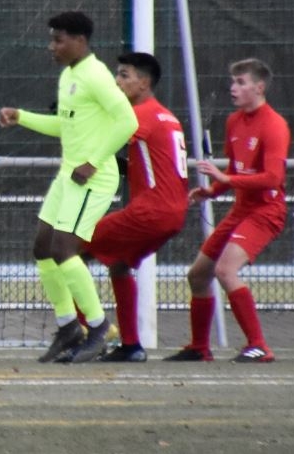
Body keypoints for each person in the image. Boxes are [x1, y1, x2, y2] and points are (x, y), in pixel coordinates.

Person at [0, 11, 137, 364]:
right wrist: (22, 117)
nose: (52, 47)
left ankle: (99, 328)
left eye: (58, 40)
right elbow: (65, 126)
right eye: (52, 39)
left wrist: (94, 161)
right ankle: (68, 326)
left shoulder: (96, 75)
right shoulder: (69, 75)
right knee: (43, 248)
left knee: (63, 248)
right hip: (69, 176)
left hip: (93, 177)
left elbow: (127, 121)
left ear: (80, 41)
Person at [166, 58, 289, 363]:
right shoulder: (234, 121)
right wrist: (212, 190)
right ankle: (199, 347)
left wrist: (226, 180)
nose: (233, 88)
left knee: (225, 270)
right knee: (198, 275)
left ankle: (259, 346)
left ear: (259, 87)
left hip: (266, 211)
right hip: (241, 209)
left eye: (241, 82)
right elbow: (235, 170)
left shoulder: (274, 124)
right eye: (233, 81)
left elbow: (272, 178)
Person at [84, 52, 189, 362]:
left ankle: (89, 333)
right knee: (118, 264)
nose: (117, 81)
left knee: (66, 249)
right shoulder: (166, 116)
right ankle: (130, 346)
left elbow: (100, 138)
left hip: (151, 211)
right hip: (174, 213)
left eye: (124, 75)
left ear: (144, 82)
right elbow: (142, 165)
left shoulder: (140, 115)